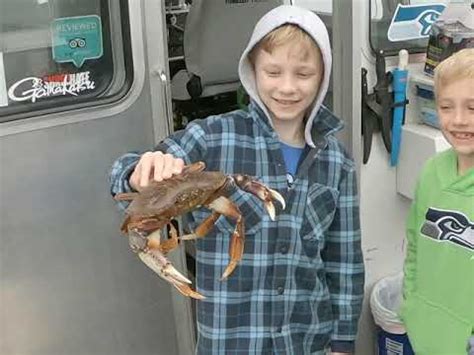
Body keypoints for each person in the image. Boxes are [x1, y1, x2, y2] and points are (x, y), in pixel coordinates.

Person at [109, 5, 364, 355]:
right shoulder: (212, 137)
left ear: (322, 77)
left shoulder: (338, 160)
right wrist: (140, 171)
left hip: (306, 339)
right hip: (230, 340)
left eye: (303, 74)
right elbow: (123, 170)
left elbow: (344, 259)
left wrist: (343, 341)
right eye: (273, 72)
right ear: (252, 71)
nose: (287, 87)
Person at [401, 48, 474, 355]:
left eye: (473, 108)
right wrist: (411, 304)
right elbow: (415, 245)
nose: (458, 120)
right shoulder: (431, 171)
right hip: (427, 332)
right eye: (446, 107)